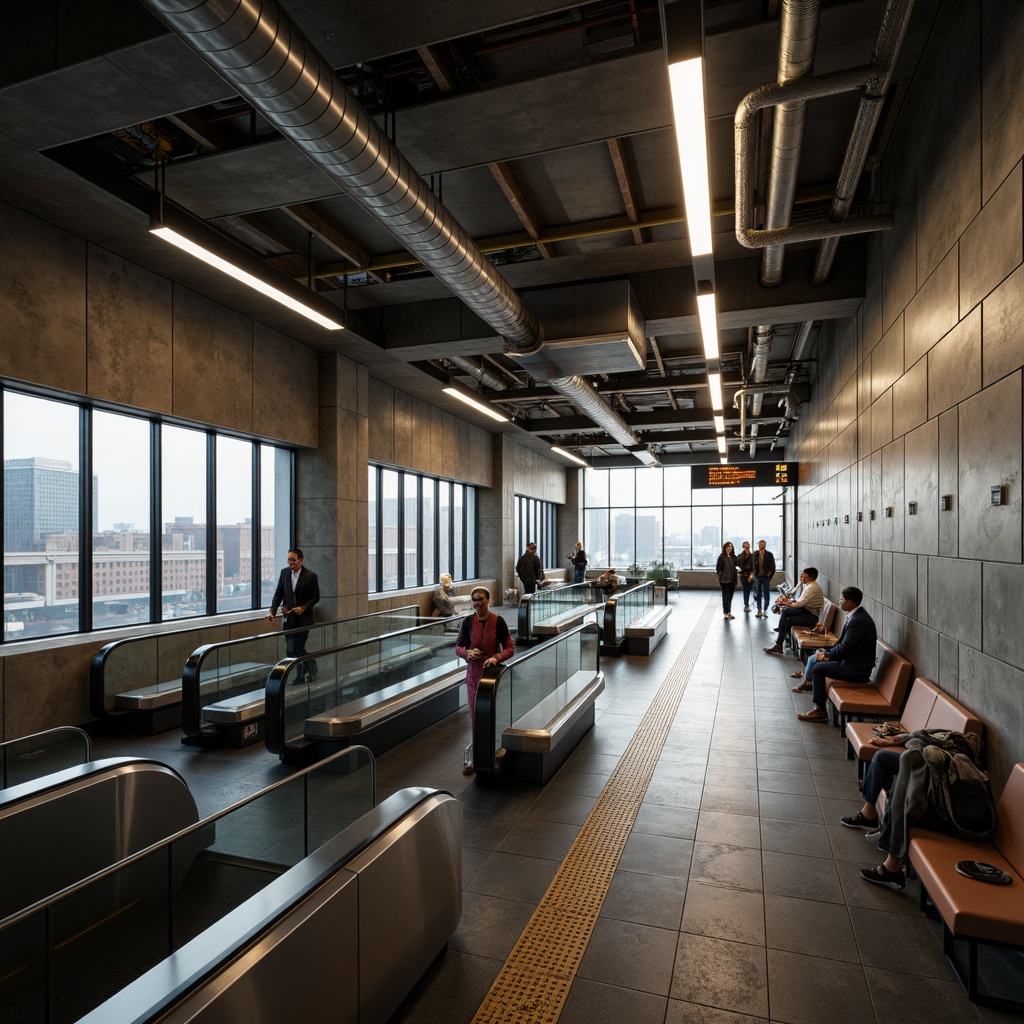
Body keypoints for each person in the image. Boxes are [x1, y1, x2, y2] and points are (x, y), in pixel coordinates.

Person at [844, 730, 985, 889]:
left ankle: (892, 865)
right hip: (925, 764)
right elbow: (925, 733)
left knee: (905, 795)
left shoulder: (951, 766)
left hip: (952, 816)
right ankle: (869, 814)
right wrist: (896, 739)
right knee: (883, 758)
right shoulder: (944, 741)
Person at [794, 586, 877, 722]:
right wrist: (827, 653)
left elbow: (845, 647)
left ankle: (820, 711)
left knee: (818, 669)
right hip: (850, 663)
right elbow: (841, 644)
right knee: (818, 661)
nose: (840, 602)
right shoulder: (856, 616)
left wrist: (828, 656)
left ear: (850, 602)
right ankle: (816, 699)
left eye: (842, 599)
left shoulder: (859, 620)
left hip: (856, 670)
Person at [455, 587, 514, 775]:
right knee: (475, 717)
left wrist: (496, 657)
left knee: (493, 714)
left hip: (491, 675)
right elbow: (458, 646)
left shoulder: (498, 621)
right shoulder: (468, 622)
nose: (477, 603)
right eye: (474, 600)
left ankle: (495, 750)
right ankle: (477, 754)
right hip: (473, 675)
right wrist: (467, 653)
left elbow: (510, 648)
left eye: (480, 599)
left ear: (489, 600)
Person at [267, 548, 320, 681]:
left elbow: (315, 597)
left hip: (304, 619)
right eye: (288, 560)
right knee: (290, 650)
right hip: (288, 618)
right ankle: (299, 675)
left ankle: (311, 665)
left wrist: (303, 607)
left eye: (293, 560)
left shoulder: (310, 576)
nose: (290, 563)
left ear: (301, 560)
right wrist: (272, 611)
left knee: (298, 647)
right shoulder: (284, 573)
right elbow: (279, 594)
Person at [763, 566, 823, 654]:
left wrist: (787, 603)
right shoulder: (809, 585)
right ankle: (781, 634)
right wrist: (789, 603)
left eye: (805, 575)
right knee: (785, 611)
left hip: (812, 617)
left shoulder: (812, 588)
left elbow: (800, 603)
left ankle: (779, 643)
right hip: (806, 611)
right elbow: (801, 601)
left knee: (787, 620)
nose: (802, 576)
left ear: (810, 577)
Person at [751, 539, 776, 617]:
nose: (761, 546)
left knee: (766, 594)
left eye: (763, 544)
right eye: (760, 544)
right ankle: (759, 610)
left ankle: (765, 610)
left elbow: (773, 566)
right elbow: (752, 565)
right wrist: (752, 574)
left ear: (765, 545)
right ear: (758, 545)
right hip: (757, 576)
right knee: (758, 593)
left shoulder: (769, 554)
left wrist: (769, 575)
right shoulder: (755, 554)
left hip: (766, 577)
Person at [715, 541, 739, 620]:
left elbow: (738, 565)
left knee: (730, 597)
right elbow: (718, 568)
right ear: (725, 548)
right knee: (725, 596)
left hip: (732, 580)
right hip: (724, 580)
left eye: (731, 547)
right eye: (728, 547)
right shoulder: (722, 557)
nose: (729, 548)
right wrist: (720, 574)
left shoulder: (734, 557)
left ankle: (729, 612)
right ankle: (726, 612)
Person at [737, 541, 754, 613]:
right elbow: (738, 565)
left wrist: (751, 575)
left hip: (750, 575)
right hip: (743, 575)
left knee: (748, 590)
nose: (746, 547)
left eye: (747, 545)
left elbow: (754, 566)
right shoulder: (740, 556)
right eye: (745, 545)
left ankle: (746, 604)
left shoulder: (752, 556)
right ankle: (746, 604)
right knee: (746, 590)